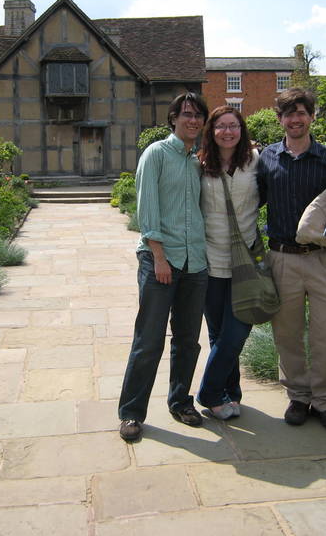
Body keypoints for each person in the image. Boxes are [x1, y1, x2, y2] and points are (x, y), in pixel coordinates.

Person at [257, 87, 326, 432]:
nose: (295, 119)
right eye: (289, 114)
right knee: (287, 333)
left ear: (312, 117)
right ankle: (299, 397)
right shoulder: (268, 159)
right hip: (282, 257)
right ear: (280, 120)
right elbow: (251, 200)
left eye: (301, 112)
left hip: (322, 260)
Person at [118, 92, 210, 442]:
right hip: (161, 260)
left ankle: (181, 402)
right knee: (149, 339)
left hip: (195, 262)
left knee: (188, 340)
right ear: (173, 118)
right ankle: (131, 412)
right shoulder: (156, 154)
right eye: (187, 114)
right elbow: (147, 211)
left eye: (198, 116)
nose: (193, 121)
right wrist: (159, 257)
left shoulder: (195, 161)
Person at [196, 106, 260, 420]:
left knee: (236, 332)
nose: (227, 131)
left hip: (245, 262)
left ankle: (208, 392)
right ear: (212, 131)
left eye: (233, 125)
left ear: (241, 129)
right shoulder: (200, 164)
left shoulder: (255, 161)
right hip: (210, 261)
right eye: (220, 126)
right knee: (218, 334)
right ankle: (229, 395)